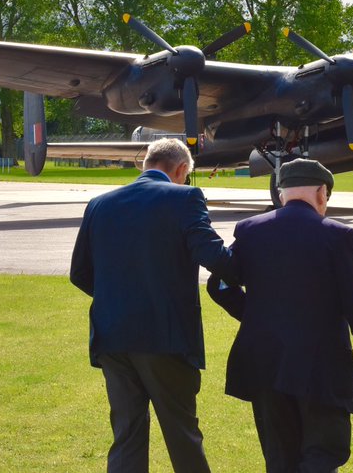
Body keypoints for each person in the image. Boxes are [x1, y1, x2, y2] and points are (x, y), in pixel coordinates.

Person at [206, 158, 353, 473]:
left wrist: (258, 315)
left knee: (280, 457)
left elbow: (219, 286)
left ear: (281, 195)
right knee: (323, 451)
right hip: (320, 362)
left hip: (264, 360)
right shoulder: (338, 235)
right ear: (322, 193)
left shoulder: (250, 230)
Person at [70, 137, 235, 473]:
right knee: (182, 435)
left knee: (126, 436)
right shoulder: (186, 196)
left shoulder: (100, 203)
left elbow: (80, 273)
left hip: (112, 335)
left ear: (144, 165)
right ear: (182, 170)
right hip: (166, 336)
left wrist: (119, 298)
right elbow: (214, 256)